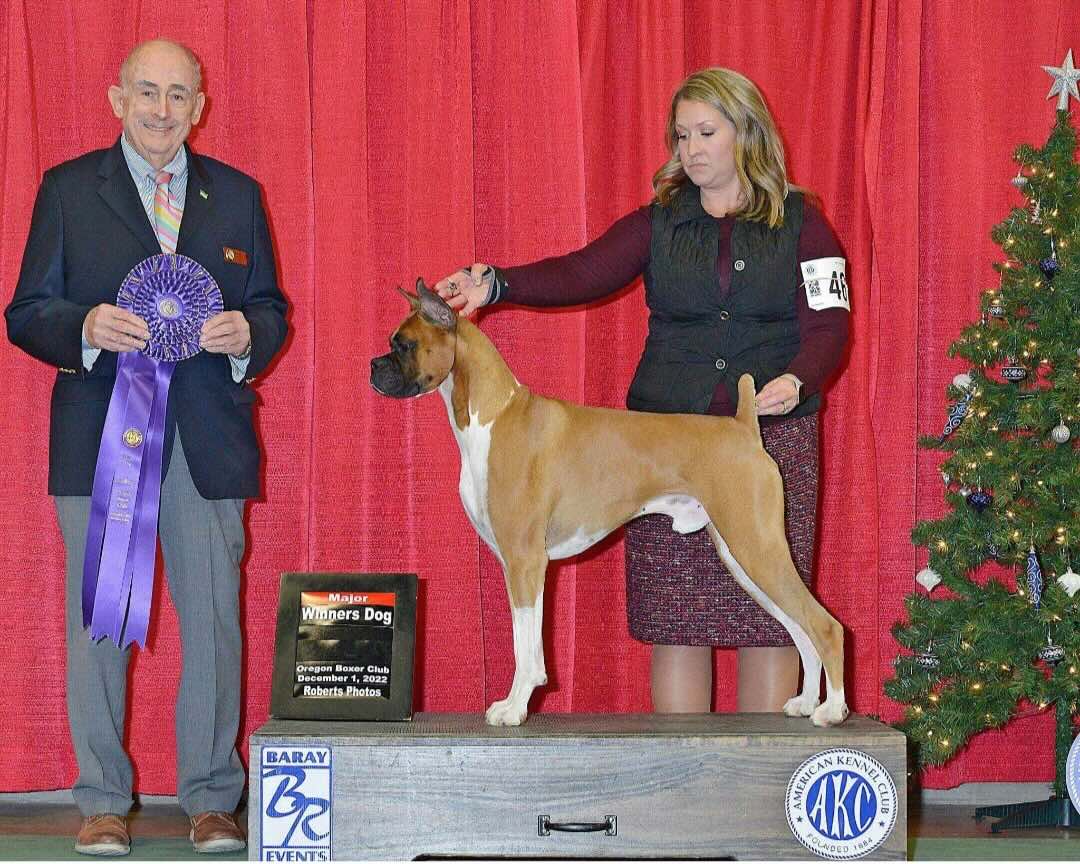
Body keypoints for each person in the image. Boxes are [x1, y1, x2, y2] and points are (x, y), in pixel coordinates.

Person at [434, 68, 849, 717]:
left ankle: (768, 782)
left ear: (747, 132)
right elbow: (582, 271)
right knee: (676, 620)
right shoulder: (658, 221)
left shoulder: (805, 223)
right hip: (656, 442)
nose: (692, 149)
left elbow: (830, 323)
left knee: (766, 609)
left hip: (768, 432)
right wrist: (498, 283)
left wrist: (799, 378)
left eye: (707, 132)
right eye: (682, 135)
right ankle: (680, 790)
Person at [6, 39, 288, 856]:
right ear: (115, 99)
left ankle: (211, 800)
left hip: (208, 441)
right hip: (101, 439)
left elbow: (271, 306)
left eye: (177, 96)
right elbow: (26, 311)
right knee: (99, 623)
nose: (162, 110)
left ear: (199, 106)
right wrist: (83, 327)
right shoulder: (66, 190)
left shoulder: (236, 195)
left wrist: (249, 334)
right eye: (146, 93)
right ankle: (100, 800)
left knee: (212, 625)